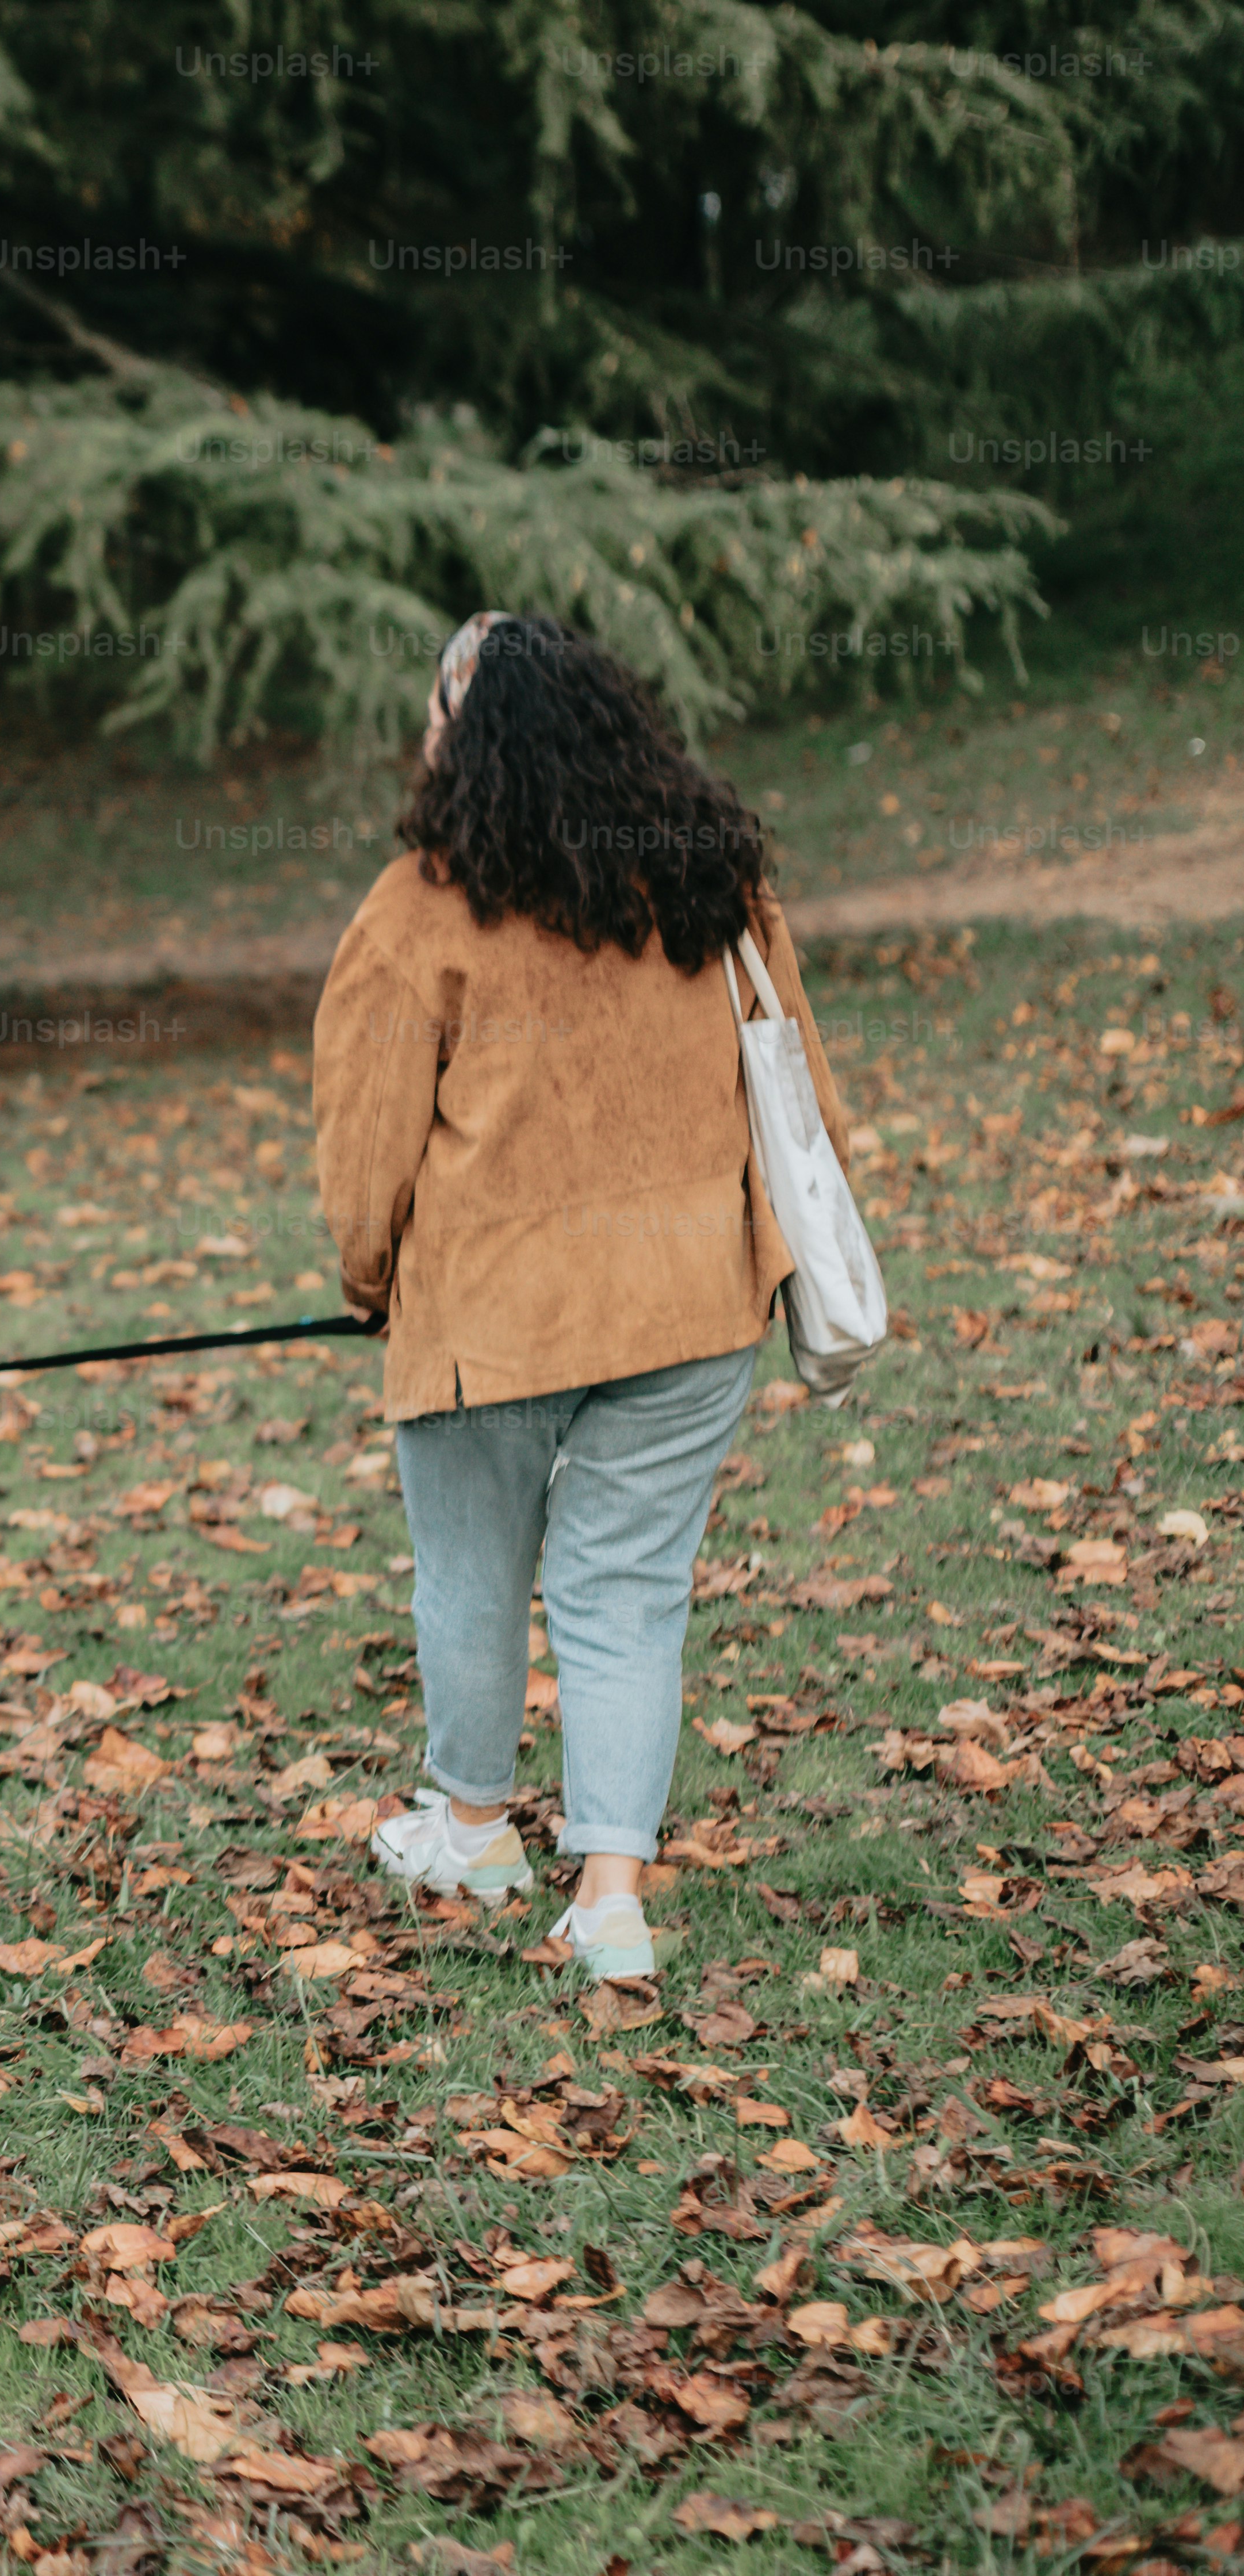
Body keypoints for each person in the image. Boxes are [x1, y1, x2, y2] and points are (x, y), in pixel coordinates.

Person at [310, 611, 851, 1980]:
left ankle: (478, 1824)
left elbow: (364, 1141)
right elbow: (793, 1081)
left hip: (494, 1314)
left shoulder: (419, 905)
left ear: (465, 737)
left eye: (439, 709)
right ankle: (610, 1895)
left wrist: (367, 1276)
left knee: (474, 1571)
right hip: (688, 1303)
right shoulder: (714, 881)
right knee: (628, 1592)